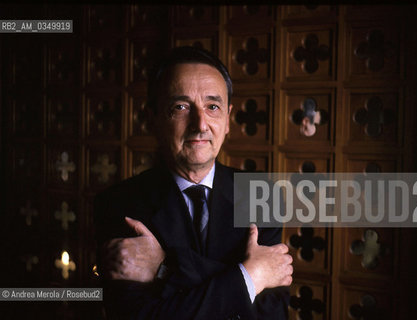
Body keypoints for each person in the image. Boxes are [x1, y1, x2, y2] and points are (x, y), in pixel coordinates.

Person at [94, 46, 293, 320]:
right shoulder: (119, 205)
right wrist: (252, 275)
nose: (200, 124)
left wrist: (165, 268)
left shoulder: (262, 195)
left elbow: (270, 314)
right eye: (181, 107)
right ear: (153, 119)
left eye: (213, 107)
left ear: (227, 120)